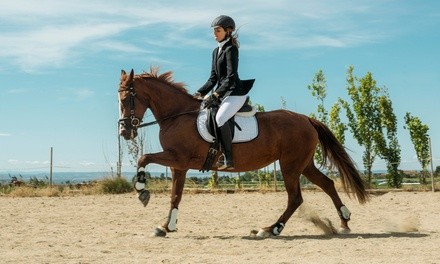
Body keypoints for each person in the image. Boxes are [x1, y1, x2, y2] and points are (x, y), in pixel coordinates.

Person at [193, 15, 254, 170]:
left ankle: (228, 157)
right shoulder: (215, 51)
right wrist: (199, 93)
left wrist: (216, 94)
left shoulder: (231, 49)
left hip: (235, 93)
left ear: (228, 31)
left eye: (218, 30)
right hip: (224, 93)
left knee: (220, 118)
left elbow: (231, 77)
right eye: (214, 31)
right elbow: (213, 78)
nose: (215, 34)